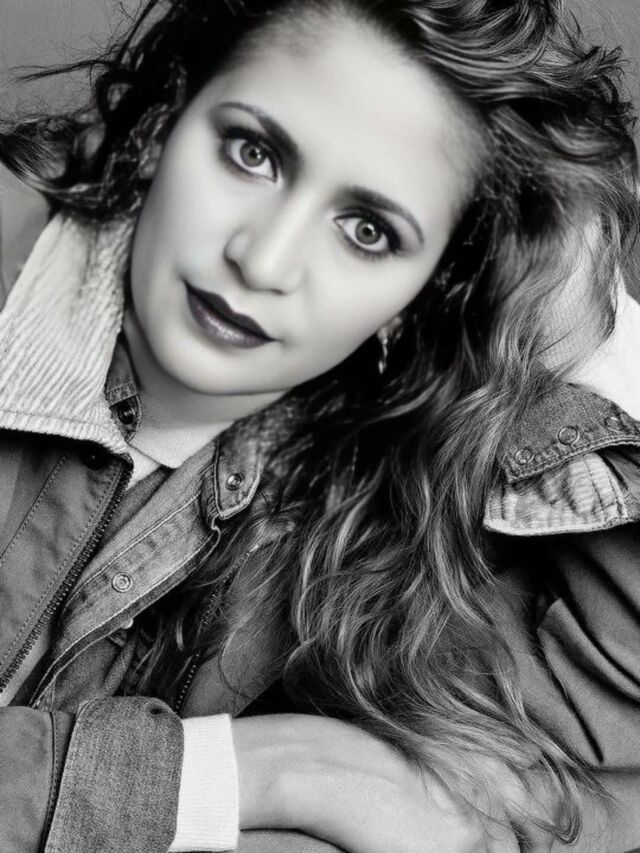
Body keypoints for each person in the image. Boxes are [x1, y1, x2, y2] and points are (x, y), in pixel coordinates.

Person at [0, 0, 638, 851]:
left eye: (367, 231)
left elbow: (571, 782)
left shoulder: (354, 496)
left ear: (422, 292)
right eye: (252, 153)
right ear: (163, 122)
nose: (264, 260)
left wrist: (589, 329)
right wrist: (256, 773)